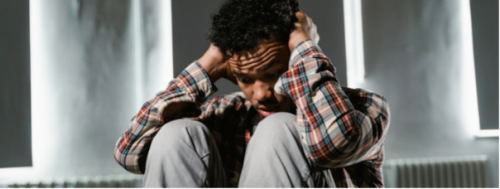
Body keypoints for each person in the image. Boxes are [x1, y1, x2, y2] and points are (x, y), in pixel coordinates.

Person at [114, 0, 390, 188]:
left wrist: (304, 44)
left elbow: (333, 146)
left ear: (295, 60)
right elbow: (128, 153)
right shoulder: (224, 112)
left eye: (273, 73)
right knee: (176, 134)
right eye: (244, 79)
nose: (260, 94)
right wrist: (207, 64)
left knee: (278, 129)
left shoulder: (365, 107)